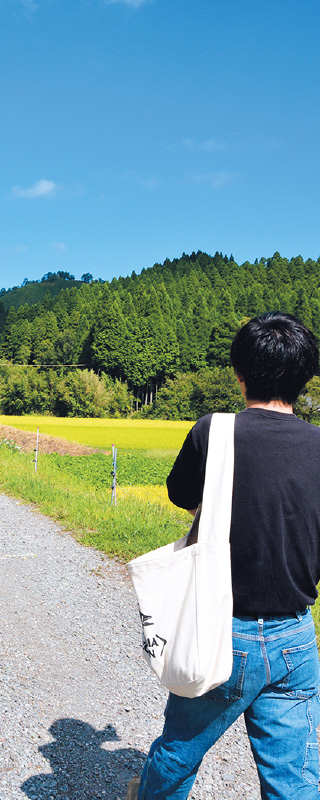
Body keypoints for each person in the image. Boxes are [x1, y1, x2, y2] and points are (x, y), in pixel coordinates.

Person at [134, 311, 320, 800]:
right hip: (297, 636)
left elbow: (181, 494)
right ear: (305, 376)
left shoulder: (212, 432)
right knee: (295, 778)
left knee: (180, 750)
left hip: (221, 627)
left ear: (239, 374)